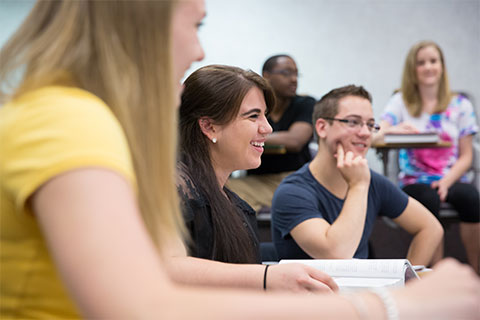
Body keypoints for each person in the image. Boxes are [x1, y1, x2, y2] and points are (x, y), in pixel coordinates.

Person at [1, 1, 479, 319]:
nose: (198, 48)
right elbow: (142, 304)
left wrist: (272, 277)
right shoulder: (71, 121)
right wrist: (389, 306)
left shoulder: (72, 118)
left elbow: (163, 269)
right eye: (195, 24)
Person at [167, 64, 336, 292]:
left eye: (264, 115)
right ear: (209, 127)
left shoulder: (236, 205)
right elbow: (165, 267)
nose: (267, 128)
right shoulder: (173, 192)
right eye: (253, 116)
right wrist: (266, 277)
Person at [271, 85, 443, 267]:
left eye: (370, 125)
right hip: (311, 295)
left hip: (360, 293)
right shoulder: (292, 192)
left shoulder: (371, 181)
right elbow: (337, 254)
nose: (365, 133)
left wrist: (407, 285)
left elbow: (430, 228)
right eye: (353, 122)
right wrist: (358, 186)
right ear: (322, 127)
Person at [373, 40, 480, 273]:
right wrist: (395, 128)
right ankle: (434, 273)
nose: (428, 67)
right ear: (413, 69)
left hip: (451, 178)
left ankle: (476, 271)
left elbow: (466, 156)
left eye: (433, 61)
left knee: (472, 199)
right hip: (415, 181)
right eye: (421, 63)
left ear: (441, 66)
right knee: (428, 200)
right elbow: (376, 134)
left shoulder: (461, 105)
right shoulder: (401, 101)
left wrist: (446, 182)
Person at [227, 54, 315, 212]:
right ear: (266, 76)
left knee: (229, 194)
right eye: (286, 73)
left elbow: (295, 141)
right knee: (219, 188)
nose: (294, 79)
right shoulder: (252, 105)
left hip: (294, 177)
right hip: (257, 180)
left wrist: (249, 136)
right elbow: (231, 133)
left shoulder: (305, 104)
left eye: (296, 74)